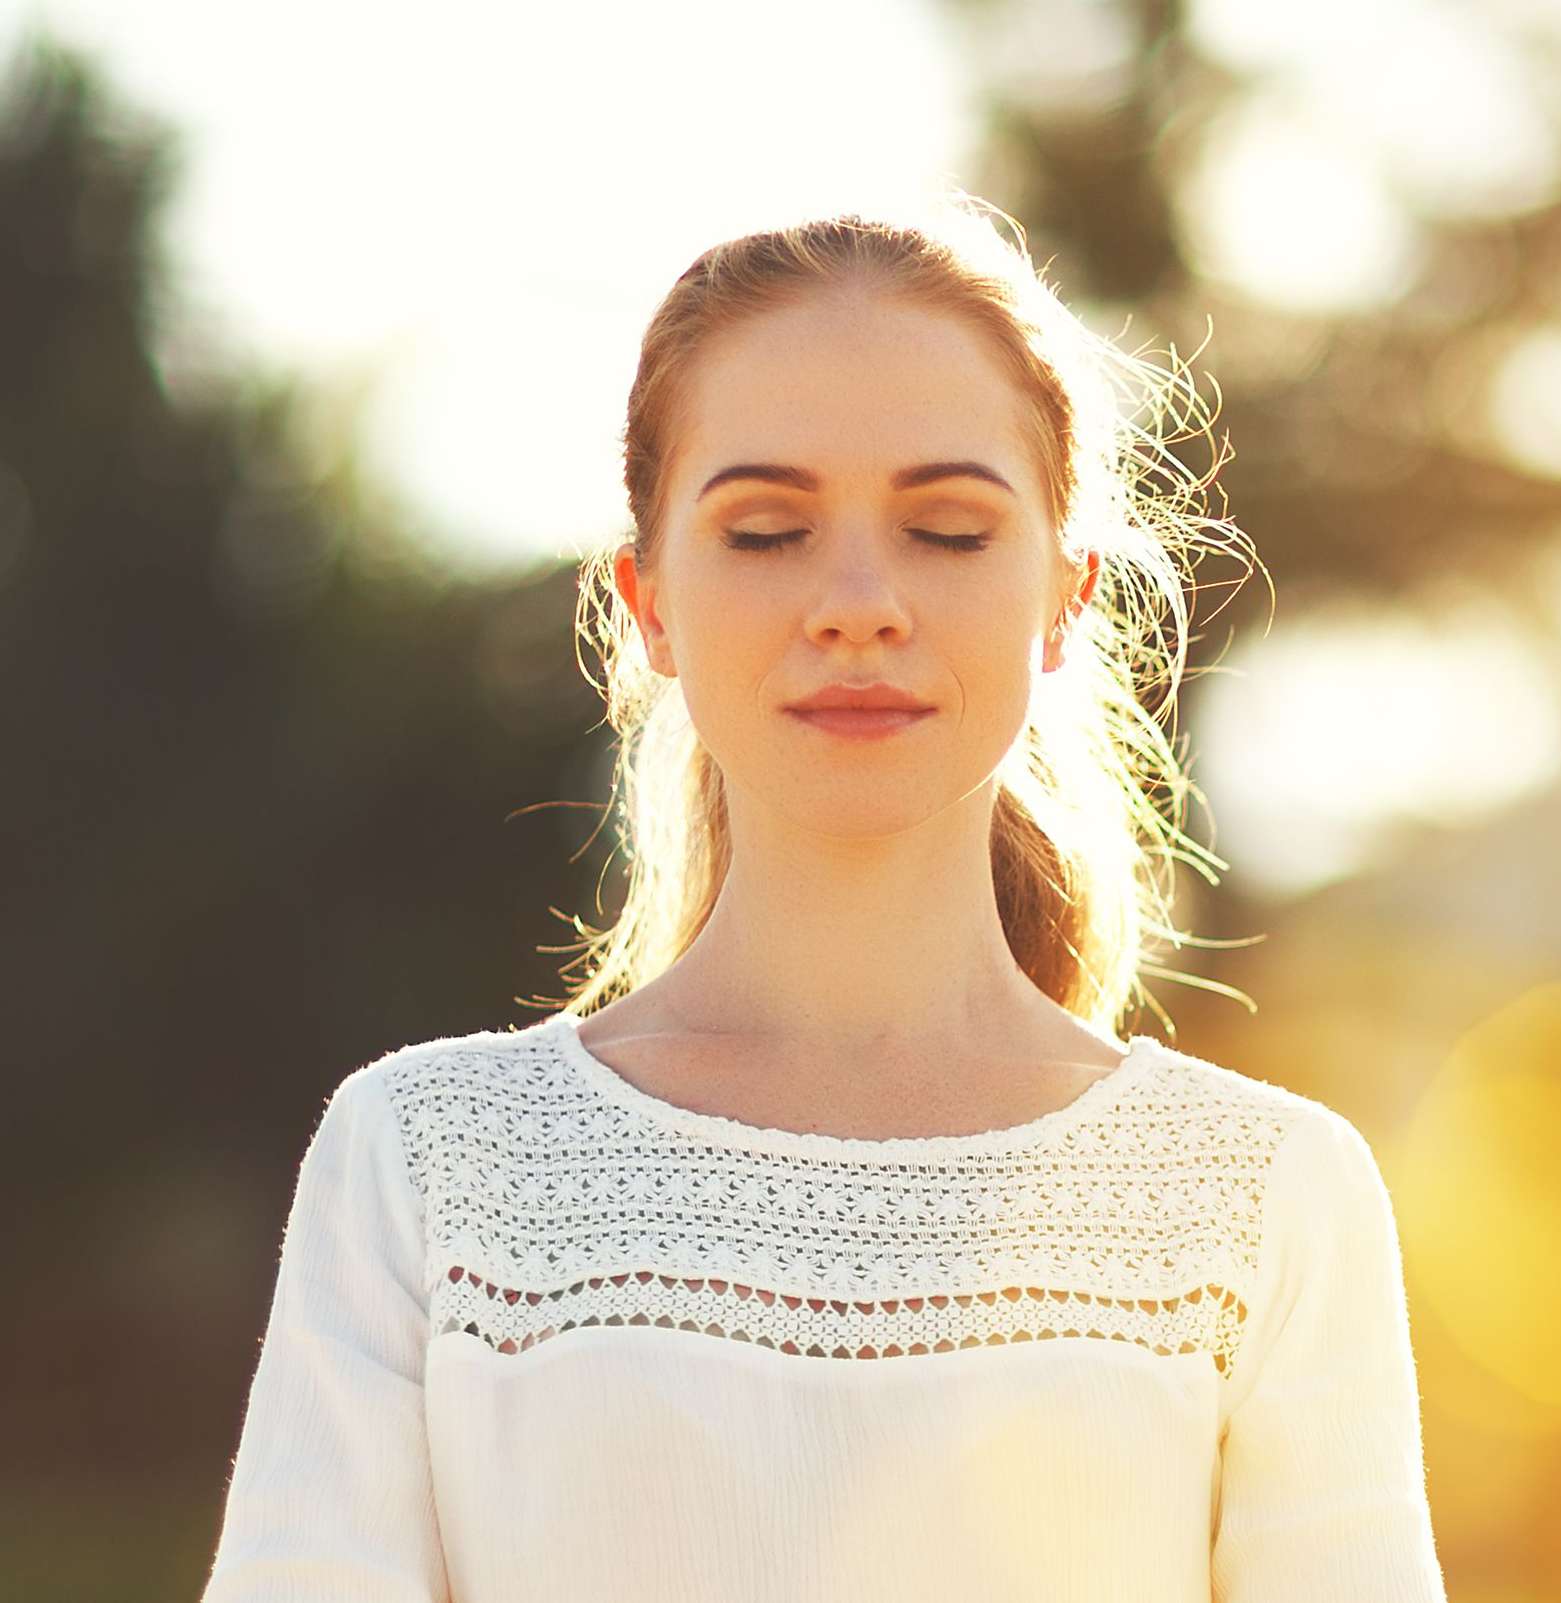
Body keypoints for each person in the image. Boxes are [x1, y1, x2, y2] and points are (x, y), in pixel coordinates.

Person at [198, 197, 1448, 1601]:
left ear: (1064, 596)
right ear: (651, 599)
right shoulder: (427, 1166)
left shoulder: (1263, 1196)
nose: (857, 601)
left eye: (949, 529)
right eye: (768, 529)